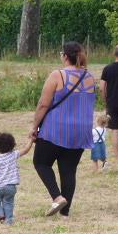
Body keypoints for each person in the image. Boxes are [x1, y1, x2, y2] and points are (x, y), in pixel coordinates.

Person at [29, 42, 96, 219]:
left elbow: (43, 104)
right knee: (68, 170)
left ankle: (57, 197)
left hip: (56, 128)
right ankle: (65, 213)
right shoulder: (89, 77)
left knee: (41, 163)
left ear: (65, 56)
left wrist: (34, 126)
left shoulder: (57, 75)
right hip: (81, 130)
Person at [0, 132, 33, 225]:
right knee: (8, 202)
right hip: (11, 187)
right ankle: (8, 220)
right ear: (12, 144)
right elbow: (26, 150)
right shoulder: (14, 154)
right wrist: (31, 140)